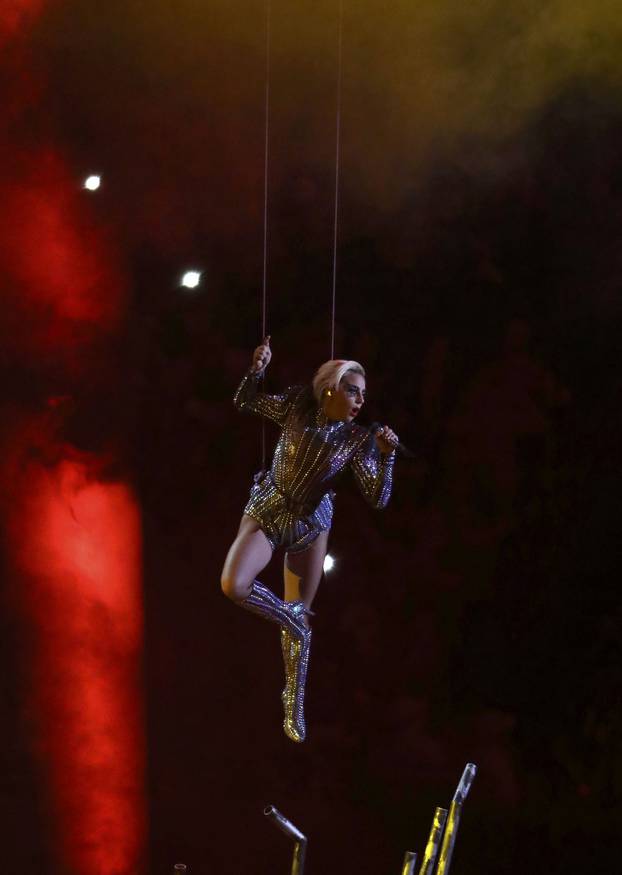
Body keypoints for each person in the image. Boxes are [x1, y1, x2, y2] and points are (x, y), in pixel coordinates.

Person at [221, 336, 399, 742]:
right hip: (269, 508)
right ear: (331, 389)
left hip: (311, 524)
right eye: (353, 391)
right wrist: (257, 369)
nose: (359, 401)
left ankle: (293, 700)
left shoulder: (358, 439)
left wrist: (387, 456)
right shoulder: (298, 405)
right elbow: (245, 401)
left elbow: (378, 497)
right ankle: (295, 622)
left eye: (364, 395)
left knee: (297, 609)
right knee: (234, 584)